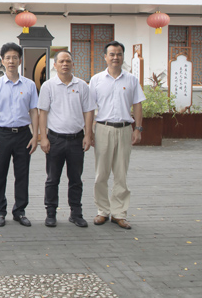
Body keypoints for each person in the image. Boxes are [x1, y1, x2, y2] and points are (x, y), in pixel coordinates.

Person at [89, 41, 145, 230]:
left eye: (119, 54)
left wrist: (138, 128)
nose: (115, 57)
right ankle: (102, 211)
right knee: (101, 174)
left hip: (124, 129)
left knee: (121, 174)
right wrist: (89, 132)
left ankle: (119, 213)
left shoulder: (131, 80)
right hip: (102, 129)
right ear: (105, 57)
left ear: (123, 57)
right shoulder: (96, 80)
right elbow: (90, 108)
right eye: (112, 54)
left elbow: (137, 104)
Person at [38, 50, 94, 228]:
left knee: (76, 179)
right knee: (52, 179)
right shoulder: (48, 86)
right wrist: (43, 137)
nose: (65, 64)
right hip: (55, 139)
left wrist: (88, 134)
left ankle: (76, 213)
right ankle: (51, 213)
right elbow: (43, 113)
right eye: (61, 61)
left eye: (68, 61)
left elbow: (88, 111)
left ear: (73, 64)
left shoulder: (82, 86)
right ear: (54, 65)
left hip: (77, 139)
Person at [0, 43, 39, 228]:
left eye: (14, 58)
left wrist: (36, 135)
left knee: (22, 174)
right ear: (2, 61)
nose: (11, 61)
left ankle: (20, 211)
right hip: (1, 134)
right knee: (0, 174)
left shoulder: (29, 85)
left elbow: (34, 111)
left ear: (20, 60)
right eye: (7, 58)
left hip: (23, 134)